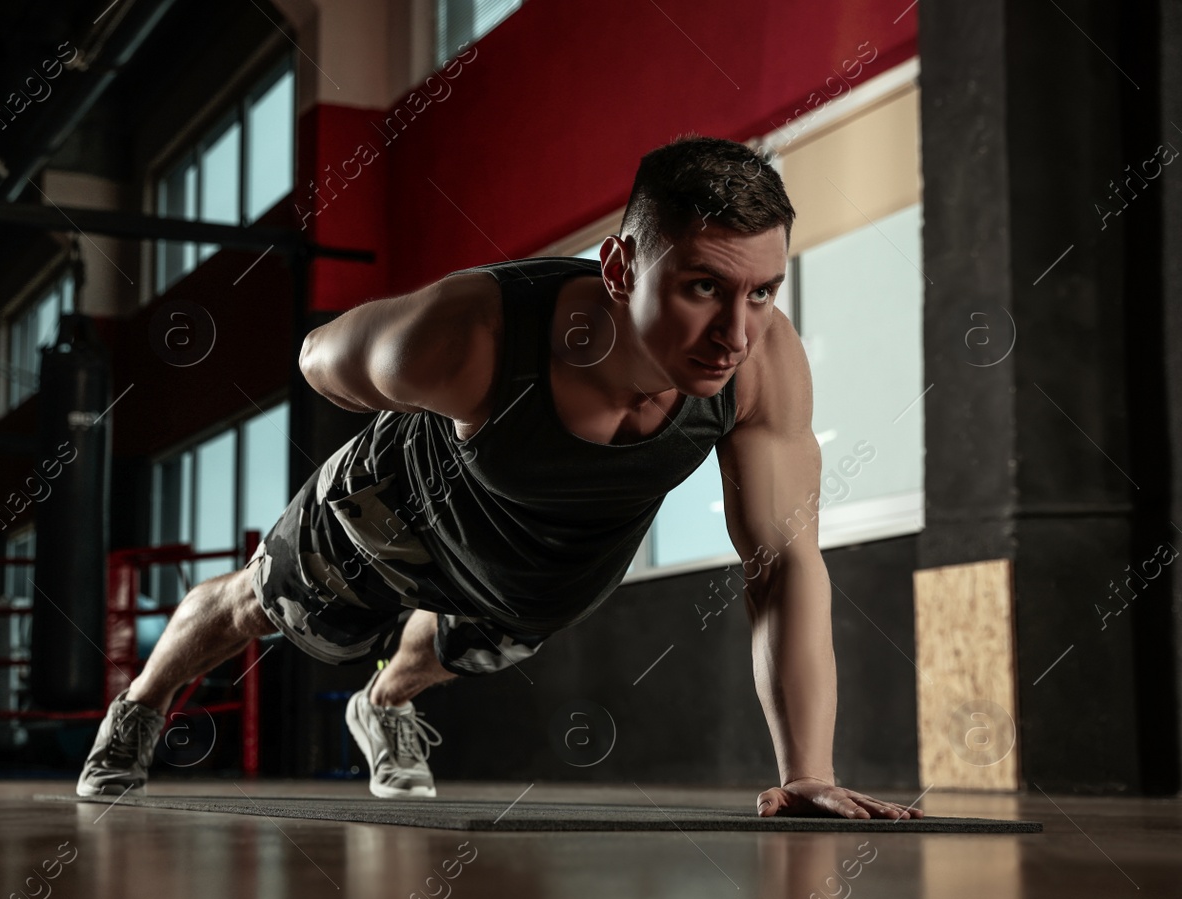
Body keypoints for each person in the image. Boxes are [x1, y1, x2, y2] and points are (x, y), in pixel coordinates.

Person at [78, 134, 922, 821]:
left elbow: (780, 563)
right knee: (270, 606)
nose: (735, 330)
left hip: (538, 567)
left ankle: (382, 707)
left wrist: (808, 771)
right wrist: (406, 385)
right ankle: (142, 704)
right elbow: (317, 359)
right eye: (704, 286)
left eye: (763, 291)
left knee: (456, 649)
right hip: (400, 508)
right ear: (621, 268)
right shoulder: (473, 335)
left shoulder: (763, 369)